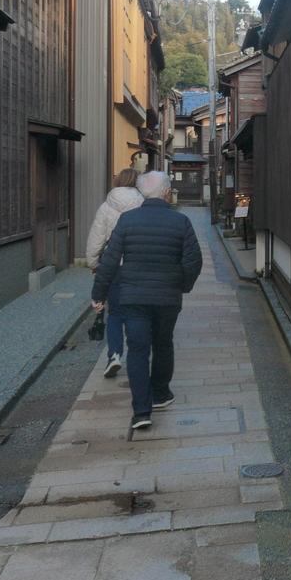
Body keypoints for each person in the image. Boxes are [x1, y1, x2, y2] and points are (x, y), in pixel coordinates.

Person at [91, 171, 202, 430]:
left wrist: (99, 294)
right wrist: (182, 285)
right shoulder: (181, 222)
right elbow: (193, 261)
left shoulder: (127, 220)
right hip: (167, 296)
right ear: (167, 193)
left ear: (142, 193)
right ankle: (160, 394)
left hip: (133, 296)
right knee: (163, 343)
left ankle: (141, 411)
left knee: (138, 349)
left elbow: (109, 260)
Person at [85, 168, 144, 379]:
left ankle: (115, 354)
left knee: (115, 313)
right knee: (137, 311)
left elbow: (97, 237)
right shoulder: (143, 203)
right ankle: (139, 352)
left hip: (114, 266)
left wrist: (93, 263)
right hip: (138, 266)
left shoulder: (106, 206)